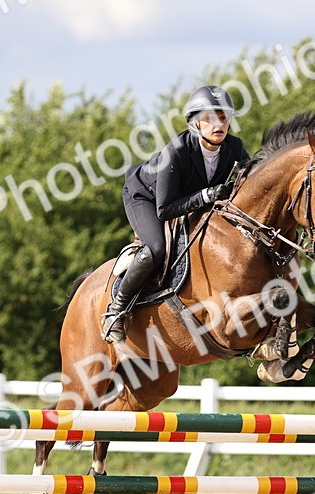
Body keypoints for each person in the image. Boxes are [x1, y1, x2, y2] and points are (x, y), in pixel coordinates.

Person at [102, 85, 251, 344]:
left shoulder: (234, 148)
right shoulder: (177, 152)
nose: (219, 125)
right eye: (209, 119)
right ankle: (117, 309)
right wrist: (205, 196)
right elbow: (165, 209)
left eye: (223, 118)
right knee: (156, 248)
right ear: (195, 123)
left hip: (184, 200)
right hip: (146, 197)